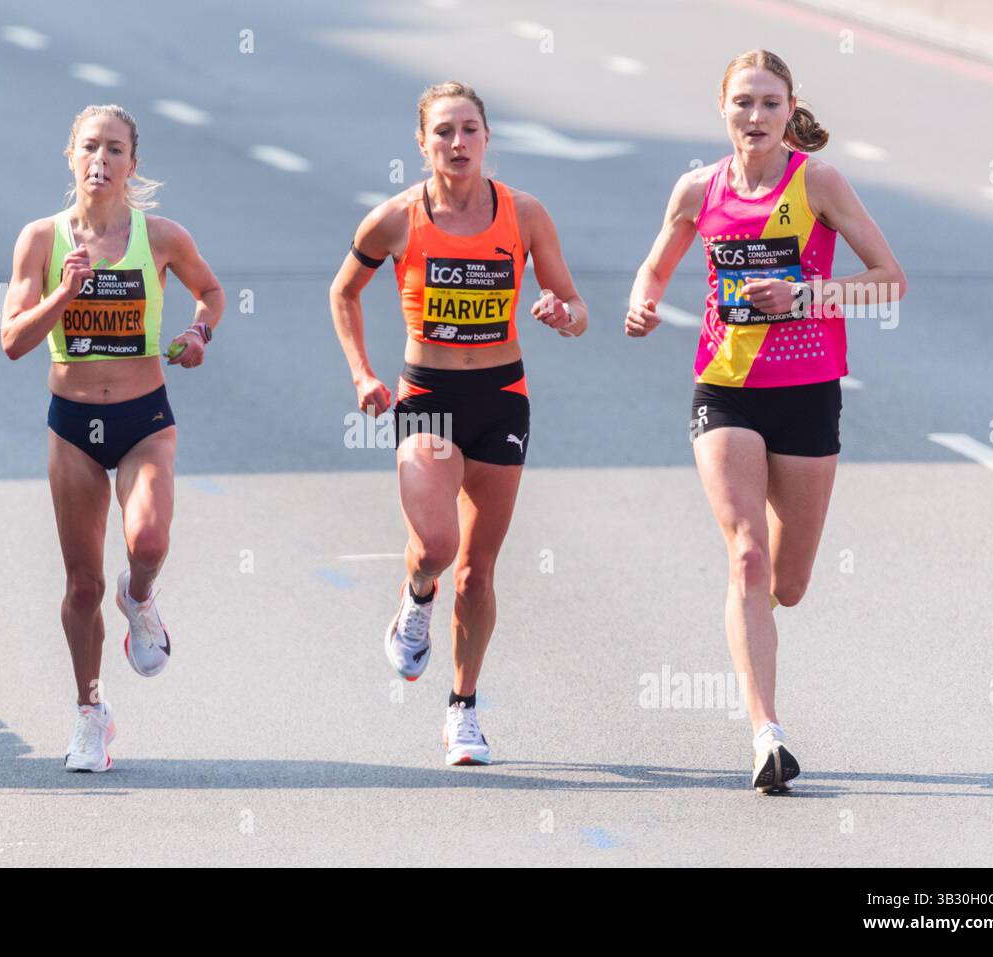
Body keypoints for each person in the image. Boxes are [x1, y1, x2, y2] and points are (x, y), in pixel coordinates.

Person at [625, 51, 906, 792]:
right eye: (744, 103)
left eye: (770, 104)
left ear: (790, 110)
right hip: (725, 389)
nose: (756, 118)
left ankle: (767, 623)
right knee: (746, 555)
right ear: (723, 106)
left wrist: (807, 297)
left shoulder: (818, 182)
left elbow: (889, 281)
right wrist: (643, 304)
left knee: (790, 579)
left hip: (808, 390)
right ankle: (765, 733)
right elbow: (654, 268)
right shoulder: (697, 189)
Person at [330, 81, 588, 766]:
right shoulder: (395, 219)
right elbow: (343, 292)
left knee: (477, 572)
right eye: (443, 131)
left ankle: (463, 708)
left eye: (469, 129)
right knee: (438, 544)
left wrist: (563, 316)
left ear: (487, 137)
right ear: (422, 144)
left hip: (502, 396)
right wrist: (362, 372)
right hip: (428, 397)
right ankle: (416, 596)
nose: (457, 142)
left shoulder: (524, 214)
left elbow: (573, 302)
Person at [0, 104, 224, 772]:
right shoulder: (40, 240)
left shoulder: (160, 238)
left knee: (148, 541)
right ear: (70, 155)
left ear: (132, 164)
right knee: (80, 585)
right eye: (90, 146)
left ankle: (143, 595)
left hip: (143, 418)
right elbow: (14, 341)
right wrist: (61, 298)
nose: (102, 158)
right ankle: (90, 713)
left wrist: (197, 333)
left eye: (115, 148)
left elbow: (211, 292)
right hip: (72, 426)